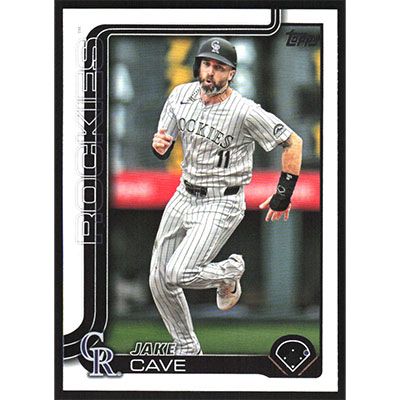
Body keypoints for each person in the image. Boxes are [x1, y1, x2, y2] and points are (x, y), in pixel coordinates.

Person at [149, 37, 303, 355]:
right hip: (184, 193)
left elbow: (293, 142)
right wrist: (159, 146)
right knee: (159, 280)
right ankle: (187, 348)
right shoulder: (180, 95)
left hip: (222, 200)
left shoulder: (244, 111)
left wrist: (284, 193)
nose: (210, 72)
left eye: (219, 67)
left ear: (231, 73)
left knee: (178, 273)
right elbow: (164, 141)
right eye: (206, 64)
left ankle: (230, 272)